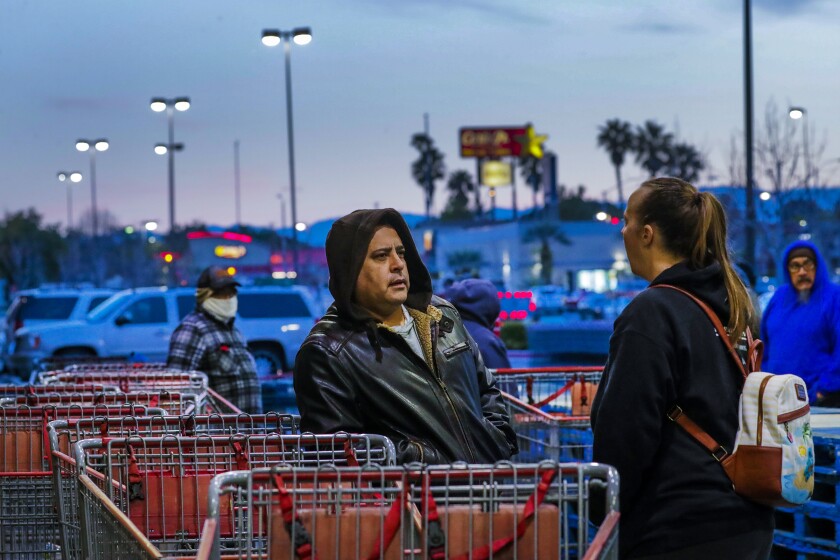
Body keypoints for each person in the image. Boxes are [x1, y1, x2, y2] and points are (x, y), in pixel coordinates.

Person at [590, 178, 774, 559]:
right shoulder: (735, 304)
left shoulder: (652, 313)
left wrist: (599, 506)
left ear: (646, 234)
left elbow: (627, 431)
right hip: (748, 520)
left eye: (626, 220)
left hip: (676, 526)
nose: (621, 231)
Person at [294, 208, 518, 464]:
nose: (398, 264)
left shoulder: (443, 315)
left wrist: (497, 437)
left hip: (490, 488)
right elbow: (336, 457)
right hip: (417, 500)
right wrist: (421, 458)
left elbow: (485, 388)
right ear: (350, 270)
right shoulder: (328, 352)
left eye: (400, 253)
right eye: (381, 256)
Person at [167, 266, 262, 413]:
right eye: (222, 294)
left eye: (232, 293)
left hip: (247, 430)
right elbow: (175, 388)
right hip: (219, 432)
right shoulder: (192, 329)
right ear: (205, 295)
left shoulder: (233, 330)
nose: (229, 299)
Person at [760, 240, 840, 405]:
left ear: (817, 266)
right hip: (778, 401)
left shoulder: (833, 297)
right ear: (787, 270)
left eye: (808, 264)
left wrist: (823, 389)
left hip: (820, 401)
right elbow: (764, 345)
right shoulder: (779, 298)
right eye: (795, 266)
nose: (802, 272)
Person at [444, 278, 518, 396]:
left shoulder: (444, 331)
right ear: (492, 308)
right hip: (483, 412)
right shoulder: (487, 341)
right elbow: (506, 391)